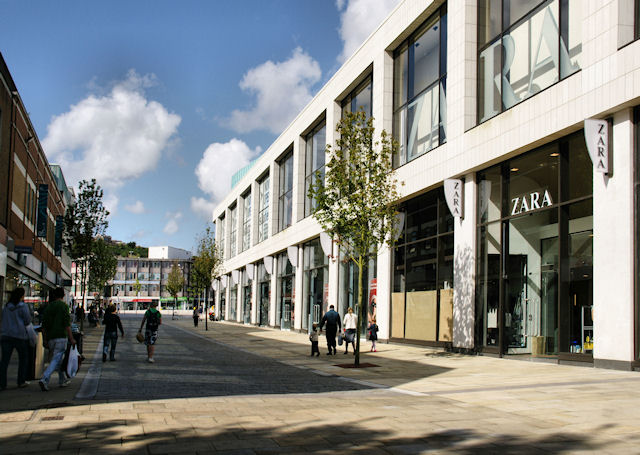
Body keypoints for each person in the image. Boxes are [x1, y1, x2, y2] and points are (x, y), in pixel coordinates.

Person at [39, 287, 76, 391]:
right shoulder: (63, 306)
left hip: (51, 337)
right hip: (61, 336)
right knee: (56, 359)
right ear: (63, 295)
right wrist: (71, 338)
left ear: (54, 295)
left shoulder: (49, 307)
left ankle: (62, 380)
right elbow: (67, 324)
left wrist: (45, 339)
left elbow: (44, 325)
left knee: (57, 360)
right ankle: (45, 378)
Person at [0, 288, 31, 390]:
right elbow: (27, 321)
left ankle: (2, 383)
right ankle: (21, 381)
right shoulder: (23, 307)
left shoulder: (6, 307)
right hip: (19, 336)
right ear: (21, 296)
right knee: (23, 358)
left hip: (6, 335)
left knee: (4, 360)